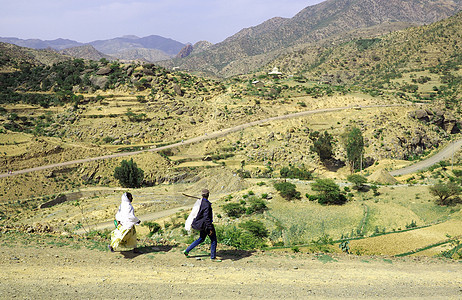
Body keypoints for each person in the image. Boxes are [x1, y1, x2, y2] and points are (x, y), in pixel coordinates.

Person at [183, 189, 221, 262]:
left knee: (201, 239)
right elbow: (207, 217)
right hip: (206, 225)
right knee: (213, 240)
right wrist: (210, 228)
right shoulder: (206, 204)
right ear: (208, 195)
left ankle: (187, 250)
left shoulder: (201, 202)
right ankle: (213, 257)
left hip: (202, 225)